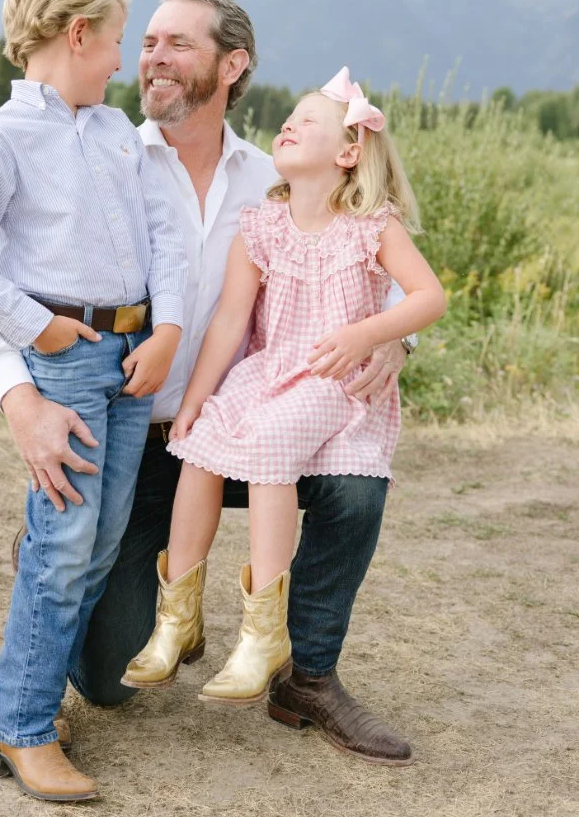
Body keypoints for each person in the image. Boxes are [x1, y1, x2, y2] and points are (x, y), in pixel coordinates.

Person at [0, 0, 421, 768]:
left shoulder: (273, 176)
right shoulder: (98, 151)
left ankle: (306, 675)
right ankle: (87, 575)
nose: (151, 57)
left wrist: (393, 345)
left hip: (257, 425)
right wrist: (19, 398)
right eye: (144, 42)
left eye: (177, 43)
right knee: (110, 680)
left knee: (354, 481)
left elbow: (374, 280)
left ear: (231, 64)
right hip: (137, 441)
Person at [0, 0, 187, 803]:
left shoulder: (116, 133)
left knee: (102, 541)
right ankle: (22, 721)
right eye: (115, 41)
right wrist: (36, 326)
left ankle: (38, 685)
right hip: (67, 360)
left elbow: (165, 236)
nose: (122, 61)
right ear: (77, 35)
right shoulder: (1, 140)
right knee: (67, 545)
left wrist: (168, 327)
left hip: (135, 355)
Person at [121, 68, 446, 712]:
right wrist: (194, 403)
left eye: (309, 123)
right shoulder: (262, 225)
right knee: (200, 444)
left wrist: (373, 334)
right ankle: (176, 617)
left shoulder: (371, 227)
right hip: (269, 372)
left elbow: (430, 296)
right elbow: (229, 325)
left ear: (349, 153)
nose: (290, 125)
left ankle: (263, 634)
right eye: (290, 119)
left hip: (332, 378)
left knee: (269, 443)